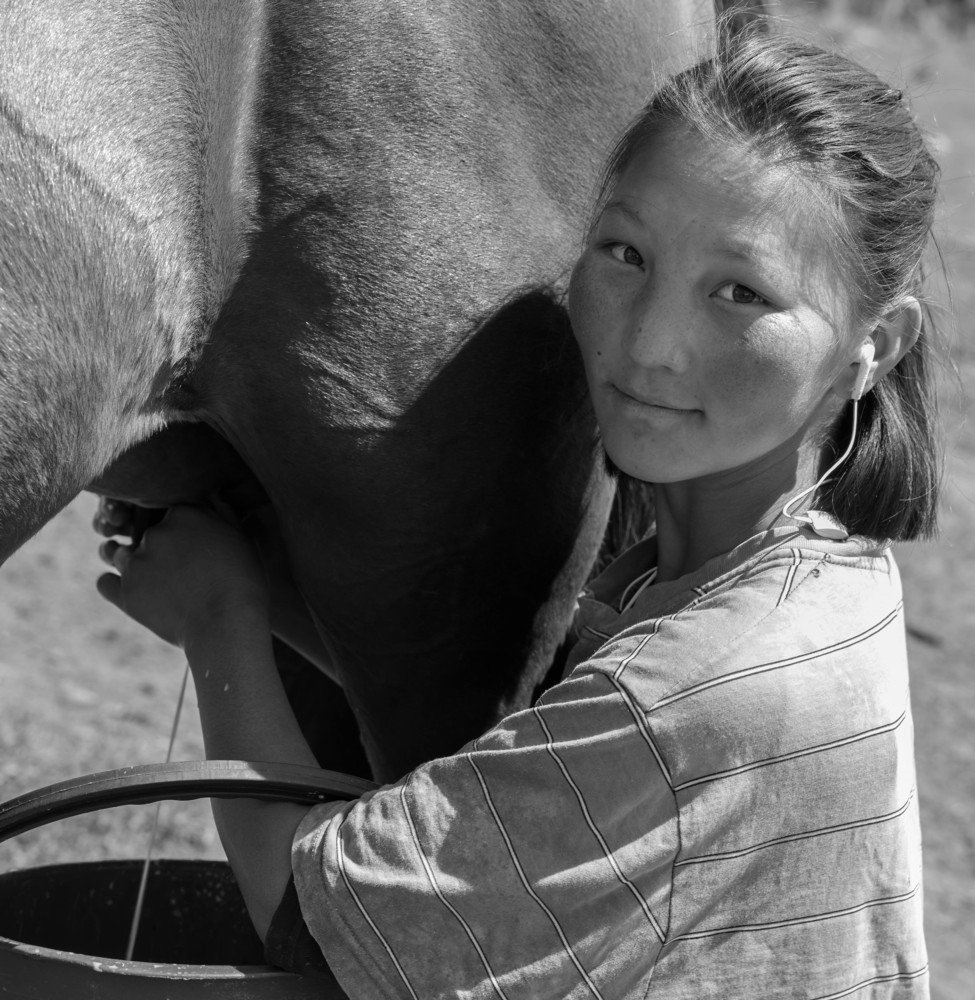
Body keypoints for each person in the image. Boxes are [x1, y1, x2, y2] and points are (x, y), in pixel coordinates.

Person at [95, 28, 942, 999]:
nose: (649, 343)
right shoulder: (821, 570)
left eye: (740, 293)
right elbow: (561, 752)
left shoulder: (693, 689)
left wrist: (221, 625)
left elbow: (319, 930)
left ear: (876, 347)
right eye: (624, 251)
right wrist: (277, 597)